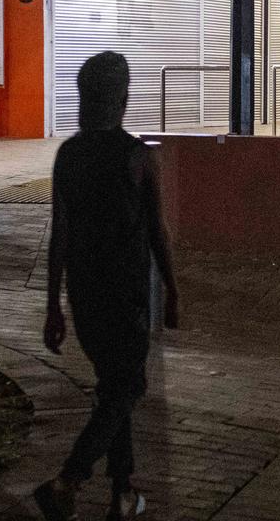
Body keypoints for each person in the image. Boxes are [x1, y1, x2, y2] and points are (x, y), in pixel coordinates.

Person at [34, 51, 179, 521]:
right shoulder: (137, 155)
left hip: (84, 293)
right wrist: (173, 290)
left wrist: (54, 306)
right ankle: (69, 479)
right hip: (127, 293)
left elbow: (60, 234)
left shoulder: (68, 155)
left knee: (112, 385)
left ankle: (122, 491)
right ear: (123, 97)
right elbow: (157, 230)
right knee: (127, 386)